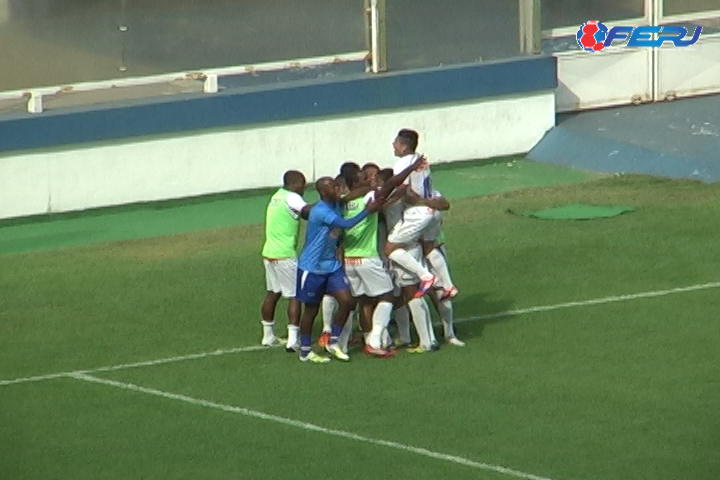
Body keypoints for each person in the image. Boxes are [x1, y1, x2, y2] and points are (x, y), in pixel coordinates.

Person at [297, 157, 426, 363]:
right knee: (387, 296)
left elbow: (348, 198)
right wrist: (411, 168)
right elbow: (390, 185)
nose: (371, 181)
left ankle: (340, 342)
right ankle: (374, 340)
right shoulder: (366, 199)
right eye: (365, 179)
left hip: (346, 261)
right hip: (361, 259)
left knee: (355, 301)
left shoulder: (342, 202)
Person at [259, 170, 311, 351]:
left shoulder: (276, 197)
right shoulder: (292, 197)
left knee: (273, 292)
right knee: (295, 295)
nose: (304, 188)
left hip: (269, 252)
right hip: (284, 254)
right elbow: (307, 212)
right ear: (295, 183)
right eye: (303, 184)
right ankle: (293, 340)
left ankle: (268, 336)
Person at [383, 129, 439, 298]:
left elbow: (402, 187)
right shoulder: (420, 160)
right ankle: (447, 283)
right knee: (428, 246)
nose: (393, 145)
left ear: (404, 147)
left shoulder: (403, 163)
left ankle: (426, 276)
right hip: (432, 210)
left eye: (396, 142)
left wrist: (386, 201)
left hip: (417, 212)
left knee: (390, 248)